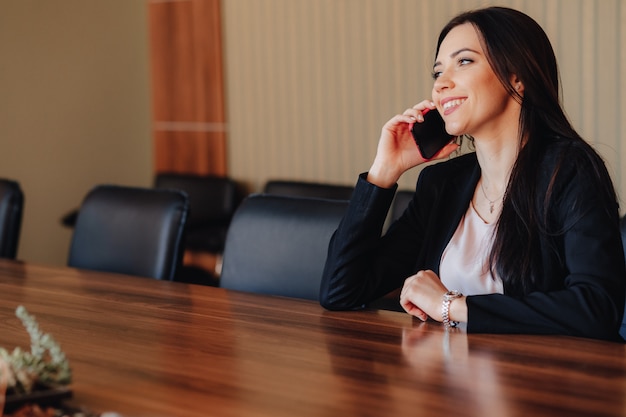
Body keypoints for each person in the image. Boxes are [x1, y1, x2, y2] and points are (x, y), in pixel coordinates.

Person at [319, 6, 626, 341]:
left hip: (538, 383)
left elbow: (597, 308)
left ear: (517, 76)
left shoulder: (570, 171)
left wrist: (451, 306)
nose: (442, 84)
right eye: (437, 72)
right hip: (448, 382)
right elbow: (341, 291)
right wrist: (384, 171)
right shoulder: (442, 184)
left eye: (463, 61)